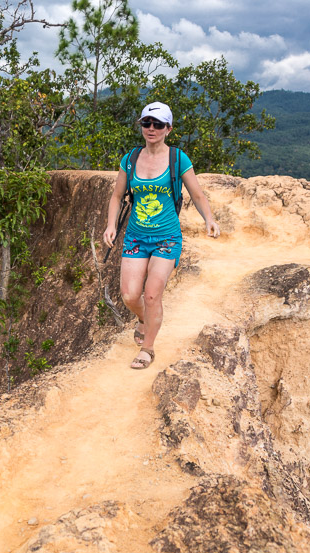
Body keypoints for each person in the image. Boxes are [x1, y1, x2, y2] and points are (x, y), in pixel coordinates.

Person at [103, 101, 220, 370]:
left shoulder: (178, 159)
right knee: (131, 296)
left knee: (153, 294)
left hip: (167, 238)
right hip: (135, 236)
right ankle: (145, 319)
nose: (151, 129)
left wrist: (209, 220)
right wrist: (111, 226)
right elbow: (117, 197)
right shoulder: (130, 158)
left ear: (168, 128)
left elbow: (197, 194)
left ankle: (148, 348)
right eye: (146, 123)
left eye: (157, 124)